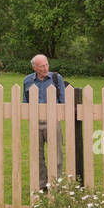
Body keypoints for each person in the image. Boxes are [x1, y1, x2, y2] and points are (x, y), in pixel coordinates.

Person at [20, 53, 72, 191]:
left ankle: (56, 184)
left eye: (46, 64)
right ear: (34, 67)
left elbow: (63, 101)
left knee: (57, 156)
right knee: (37, 156)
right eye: (42, 66)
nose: (45, 68)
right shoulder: (27, 81)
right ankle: (42, 185)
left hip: (53, 122)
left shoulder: (56, 78)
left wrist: (58, 117)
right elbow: (24, 103)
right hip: (34, 123)